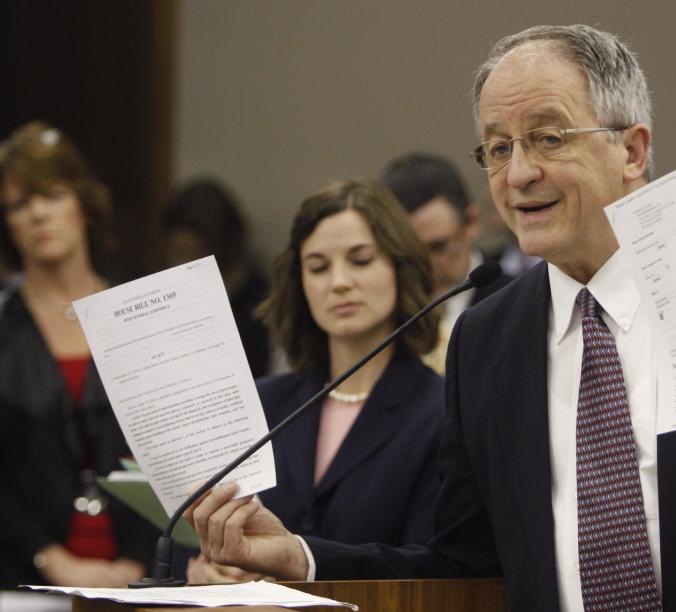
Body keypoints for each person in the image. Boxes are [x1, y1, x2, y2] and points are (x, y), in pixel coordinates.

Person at [186, 25, 676, 610]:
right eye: (496, 147)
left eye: (548, 137)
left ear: (632, 148)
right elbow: (466, 565)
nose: (518, 174)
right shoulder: (487, 338)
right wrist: (305, 561)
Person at [186, 179, 444, 583]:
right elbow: (180, 540)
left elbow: (436, 567)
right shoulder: (260, 402)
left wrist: (297, 563)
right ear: (300, 283)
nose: (339, 282)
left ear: (400, 267)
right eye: (318, 267)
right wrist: (202, 572)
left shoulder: (443, 411)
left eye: (360, 260)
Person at [0, 121, 156, 587]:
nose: (38, 215)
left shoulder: (141, 314)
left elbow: (172, 452)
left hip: (143, 575)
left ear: (84, 204)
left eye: (51, 194)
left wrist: (138, 563)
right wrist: (48, 559)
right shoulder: (4, 325)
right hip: (20, 579)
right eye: (20, 203)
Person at [380, 153, 513, 373]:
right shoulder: (381, 313)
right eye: (408, 252)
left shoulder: (518, 299)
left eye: (438, 247)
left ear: (472, 222)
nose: (424, 264)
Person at [163, 179, 272, 377]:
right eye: (179, 255)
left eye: (193, 255)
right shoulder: (174, 299)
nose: (183, 266)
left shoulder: (261, 301)